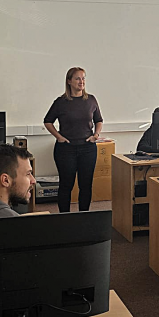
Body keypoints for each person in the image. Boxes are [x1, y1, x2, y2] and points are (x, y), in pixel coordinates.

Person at [44, 67, 104, 213]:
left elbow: (99, 120)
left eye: (83, 78)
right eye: (77, 78)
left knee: (86, 185)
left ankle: (84, 216)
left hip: (87, 148)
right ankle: (64, 218)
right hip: (66, 149)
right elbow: (47, 121)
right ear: (69, 81)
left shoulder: (91, 100)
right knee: (66, 185)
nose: (81, 81)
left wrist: (96, 135)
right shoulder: (61, 102)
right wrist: (59, 137)